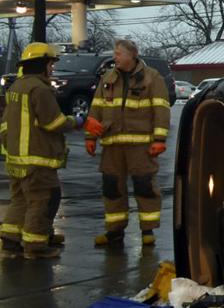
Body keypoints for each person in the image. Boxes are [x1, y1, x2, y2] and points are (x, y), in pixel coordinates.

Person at [83, 39, 171, 247]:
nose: (115, 57)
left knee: (144, 186)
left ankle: (148, 231)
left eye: (119, 54)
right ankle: (114, 232)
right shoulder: (108, 78)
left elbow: (161, 109)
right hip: (112, 145)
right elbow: (96, 109)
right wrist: (90, 136)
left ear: (132, 55)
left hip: (141, 146)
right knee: (112, 187)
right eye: (115, 53)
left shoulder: (151, 78)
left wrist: (159, 139)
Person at [1, 43, 80, 259]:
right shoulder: (40, 89)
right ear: (41, 65)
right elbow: (52, 122)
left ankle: (10, 242)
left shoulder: (16, 87)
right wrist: (76, 120)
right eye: (50, 64)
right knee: (44, 200)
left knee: (20, 200)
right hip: (38, 160)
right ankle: (35, 246)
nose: (52, 68)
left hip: (16, 158)